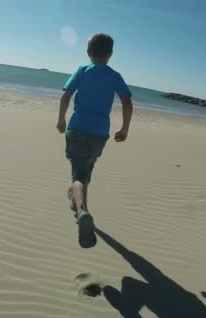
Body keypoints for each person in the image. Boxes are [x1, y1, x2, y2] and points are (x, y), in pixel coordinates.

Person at [57, 33, 133, 248]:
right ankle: (80, 207)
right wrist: (125, 128)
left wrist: (61, 119)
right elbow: (127, 100)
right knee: (86, 170)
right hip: (100, 133)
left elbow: (65, 96)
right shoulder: (115, 75)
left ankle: (82, 211)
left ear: (88, 53)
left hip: (77, 127)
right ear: (110, 54)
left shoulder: (82, 70)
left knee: (78, 175)